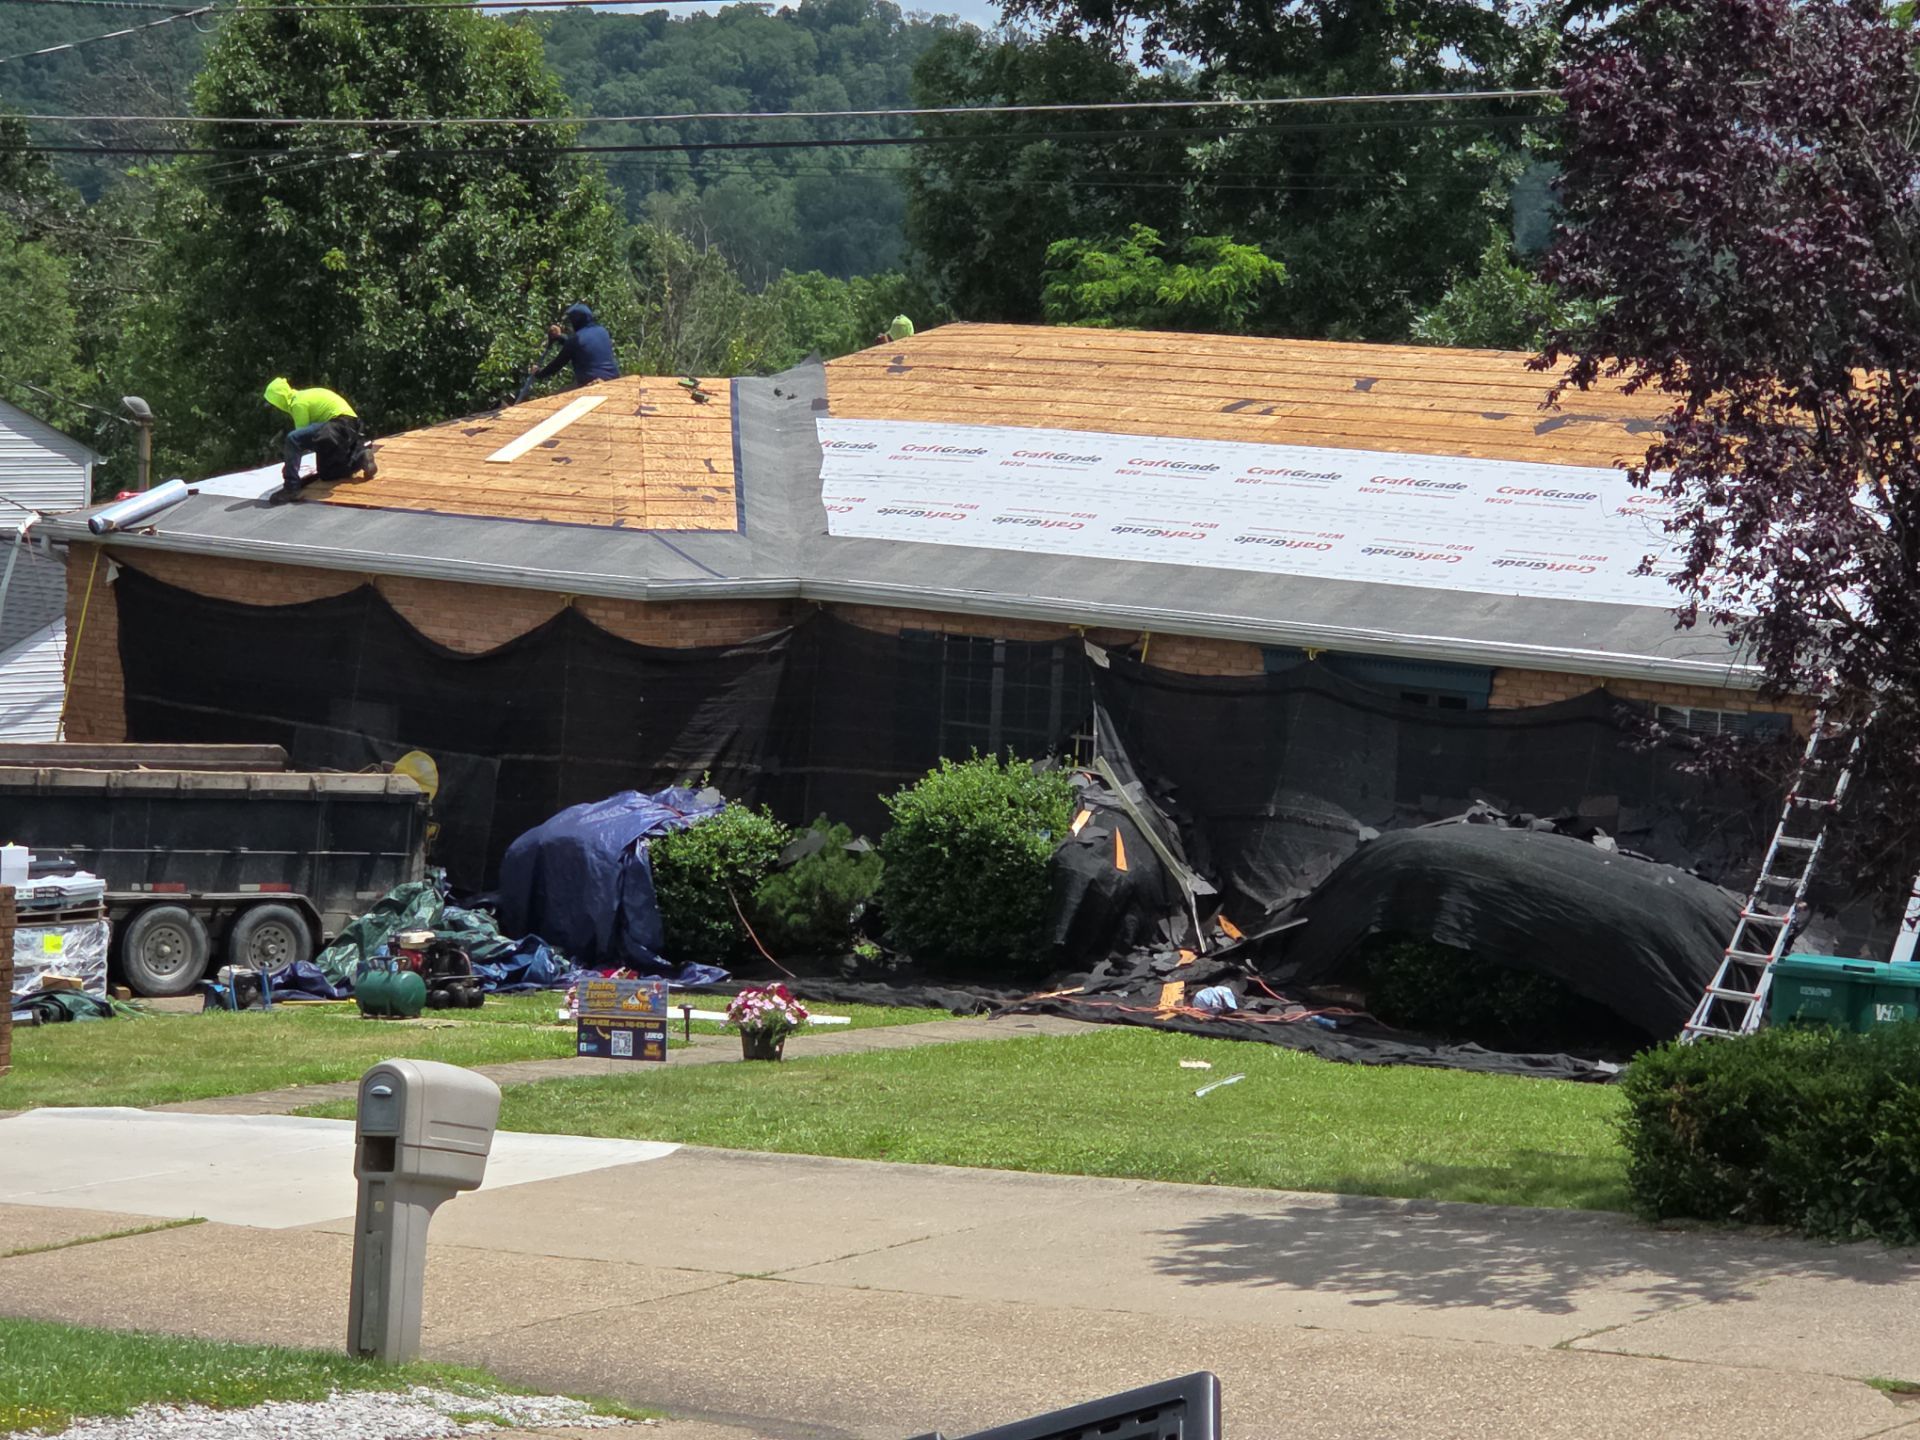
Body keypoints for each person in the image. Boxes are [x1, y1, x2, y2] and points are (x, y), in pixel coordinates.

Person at [263, 377, 375, 501]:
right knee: (326, 474)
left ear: (279, 399)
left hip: (337, 424)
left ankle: (291, 487)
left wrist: (289, 457)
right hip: (350, 426)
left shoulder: (298, 403)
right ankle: (360, 459)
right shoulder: (303, 396)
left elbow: (299, 440)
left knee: (292, 438)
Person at [528, 303, 620, 389]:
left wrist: (538, 373)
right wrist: (559, 337)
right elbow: (582, 347)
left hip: (591, 383)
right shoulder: (602, 331)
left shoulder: (574, 341)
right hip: (613, 378)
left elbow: (557, 364)